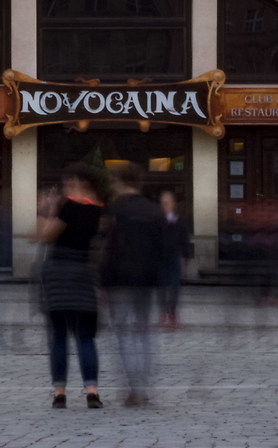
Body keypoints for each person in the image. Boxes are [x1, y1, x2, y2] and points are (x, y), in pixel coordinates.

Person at [35, 167, 107, 409]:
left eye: (68, 183)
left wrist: (48, 209)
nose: (65, 188)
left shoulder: (68, 208)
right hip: (85, 274)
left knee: (59, 336)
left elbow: (45, 236)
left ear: (78, 183)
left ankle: (60, 393)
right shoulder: (98, 210)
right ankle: (92, 391)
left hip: (60, 275)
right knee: (85, 336)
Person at [100, 167, 166, 407]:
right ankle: (143, 387)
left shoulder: (114, 210)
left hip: (120, 279)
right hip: (147, 279)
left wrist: (103, 282)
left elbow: (108, 248)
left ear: (120, 182)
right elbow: (163, 249)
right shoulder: (154, 210)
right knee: (144, 333)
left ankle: (133, 388)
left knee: (123, 334)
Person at [156, 187, 190, 330]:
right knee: (162, 286)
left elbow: (184, 238)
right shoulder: (158, 220)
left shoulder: (180, 219)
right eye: (163, 202)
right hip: (160, 257)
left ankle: (172, 313)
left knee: (175, 287)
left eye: (167, 202)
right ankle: (163, 312)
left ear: (173, 203)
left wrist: (186, 256)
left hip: (174, 257)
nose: (165, 205)